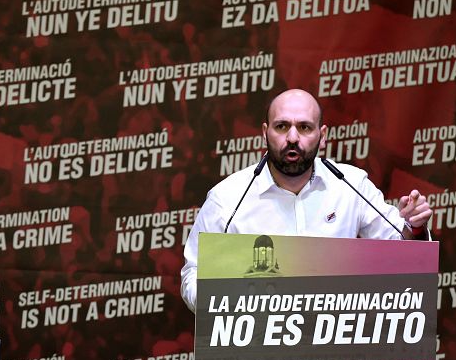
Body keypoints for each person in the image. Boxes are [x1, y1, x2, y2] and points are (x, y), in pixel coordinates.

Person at [181, 88, 432, 312]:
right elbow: (193, 273)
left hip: (336, 349)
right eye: (281, 126)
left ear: (322, 135)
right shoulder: (227, 199)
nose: (292, 137)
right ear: (265, 133)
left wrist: (415, 227)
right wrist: (224, 305)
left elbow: (404, 254)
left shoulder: (351, 185)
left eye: (304, 127)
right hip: (257, 348)